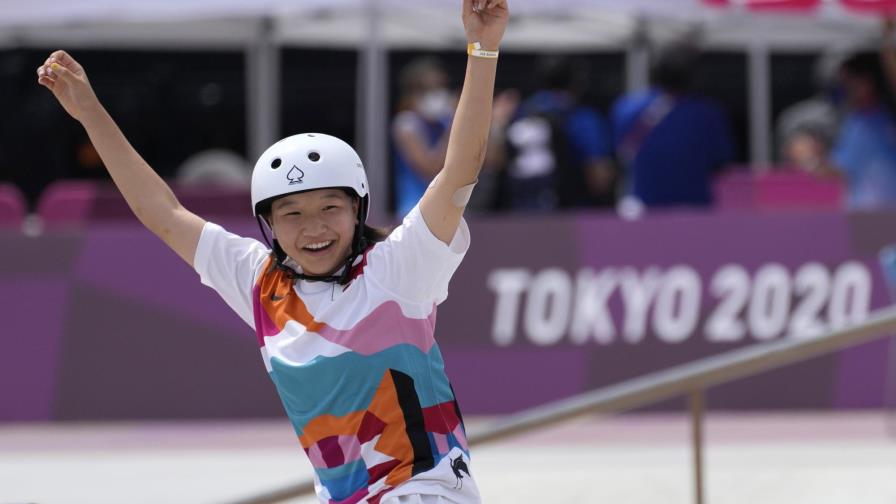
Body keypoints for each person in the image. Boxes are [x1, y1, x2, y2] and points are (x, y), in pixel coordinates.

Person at [36, 0, 508, 502]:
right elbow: (163, 213)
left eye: (331, 207)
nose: (314, 228)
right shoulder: (261, 284)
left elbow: (460, 169)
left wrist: (483, 48)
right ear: (270, 226)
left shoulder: (399, 269)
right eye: (293, 214)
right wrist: (89, 112)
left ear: (358, 210)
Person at [611, 43, 734, 209]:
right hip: (694, 213)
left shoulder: (625, 107)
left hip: (642, 213)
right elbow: (721, 161)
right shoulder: (707, 113)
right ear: (692, 76)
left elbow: (618, 156)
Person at [499, 55, 615, 211]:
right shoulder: (581, 118)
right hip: (568, 216)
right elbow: (599, 177)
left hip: (517, 211)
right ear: (576, 82)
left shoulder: (518, 112)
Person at [829, 27, 896, 209]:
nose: (845, 89)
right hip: (865, 218)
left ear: (867, 82)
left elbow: (837, 170)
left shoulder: (886, 116)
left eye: (849, 83)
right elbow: (840, 168)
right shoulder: (854, 121)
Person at [392, 57, 454, 217]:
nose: (438, 94)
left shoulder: (444, 121)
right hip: (414, 210)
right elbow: (430, 169)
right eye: (429, 89)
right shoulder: (406, 124)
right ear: (413, 92)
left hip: (448, 210)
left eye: (441, 87)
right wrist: (456, 127)